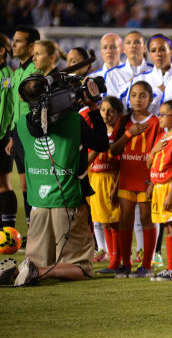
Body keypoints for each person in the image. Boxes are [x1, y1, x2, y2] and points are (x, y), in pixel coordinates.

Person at [5, 72, 109, 287]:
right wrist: (93, 108)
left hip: (38, 205)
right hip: (68, 202)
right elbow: (101, 143)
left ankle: (17, 271)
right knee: (81, 267)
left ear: (23, 98)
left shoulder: (21, 125)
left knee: (34, 259)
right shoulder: (73, 120)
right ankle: (38, 273)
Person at [110, 81, 160, 278]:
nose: (138, 99)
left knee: (146, 219)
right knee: (125, 219)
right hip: (127, 178)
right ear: (128, 99)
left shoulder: (155, 122)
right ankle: (125, 263)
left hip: (146, 179)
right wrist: (128, 135)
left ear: (150, 99)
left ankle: (147, 265)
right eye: (134, 95)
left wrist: (153, 181)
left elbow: (158, 154)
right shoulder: (123, 121)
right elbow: (113, 150)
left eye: (142, 95)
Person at [6, 27, 40, 235]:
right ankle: (31, 231)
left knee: (33, 185)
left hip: (32, 134)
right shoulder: (17, 71)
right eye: (13, 41)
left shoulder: (35, 72)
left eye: (18, 41)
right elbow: (15, 108)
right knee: (25, 186)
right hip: (18, 134)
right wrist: (12, 135)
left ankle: (37, 231)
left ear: (31, 46)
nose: (13, 45)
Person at [147, 100, 172, 281]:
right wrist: (153, 151)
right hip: (159, 186)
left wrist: (171, 193)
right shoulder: (161, 137)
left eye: (164, 114)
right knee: (167, 227)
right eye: (160, 114)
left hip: (171, 186)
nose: (160, 117)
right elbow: (149, 162)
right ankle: (171, 267)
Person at [90, 96, 123, 273]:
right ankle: (113, 259)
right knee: (104, 222)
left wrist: (116, 187)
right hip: (95, 180)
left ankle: (116, 261)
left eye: (111, 110)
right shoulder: (96, 133)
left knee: (114, 222)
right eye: (103, 110)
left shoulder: (117, 135)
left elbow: (120, 166)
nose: (106, 114)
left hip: (110, 180)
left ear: (118, 113)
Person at [126, 34, 172, 116]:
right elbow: (130, 109)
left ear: (171, 52)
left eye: (162, 50)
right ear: (150, 54)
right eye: (153, 50)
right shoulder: (139, 79)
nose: (158, 54)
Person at [105, 31, 153, 99]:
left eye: (137, 42)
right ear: (124, 49)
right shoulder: (112, 74)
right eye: (128, 42)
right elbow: (111, 103)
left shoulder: (154, 71)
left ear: (144, 48)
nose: (133, 46)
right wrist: (129, 84)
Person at [0, 34, 16, 230]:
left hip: (1, 136)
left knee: (3, 183)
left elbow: (7, 109)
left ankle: (8, 232)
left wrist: (5, 134)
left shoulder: (5, 75)